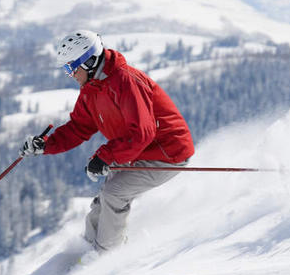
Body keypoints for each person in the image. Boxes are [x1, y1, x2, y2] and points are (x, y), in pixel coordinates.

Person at [20, 30, 194, 252]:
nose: (70, 74)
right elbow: (79, 127)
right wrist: (46, 145)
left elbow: (142, 132)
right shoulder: (91, 90)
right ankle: (87, 250)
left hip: (167, 153)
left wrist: (106, 156)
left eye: (71, 67)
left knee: (115, 193)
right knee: (104, 199)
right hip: (137, 151)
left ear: (89, 61)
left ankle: (107, 257)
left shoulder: (126, 82)